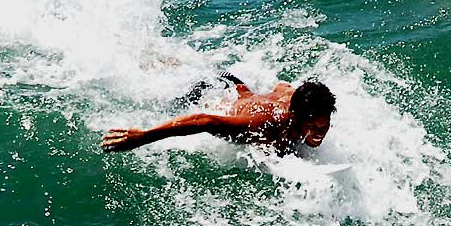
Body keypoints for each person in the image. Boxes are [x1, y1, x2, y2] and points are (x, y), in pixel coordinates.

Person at [101, 73, 336, 156]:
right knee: (167, 93)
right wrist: (144, 136)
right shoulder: (266, 123)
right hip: (213, 91)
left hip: (242, 90)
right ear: (294, 117)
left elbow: (282, 86)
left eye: (323, 127)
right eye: (314, 128)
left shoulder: (301, 103)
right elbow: (206, 120)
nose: (319, 134)